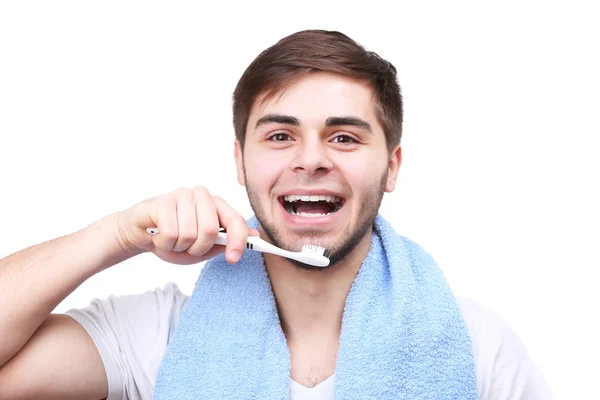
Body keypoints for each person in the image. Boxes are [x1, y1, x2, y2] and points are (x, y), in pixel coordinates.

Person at [0, 30, 551, 400]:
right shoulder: (159, 336)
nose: (311, 160)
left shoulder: (478, 347)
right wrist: (118, 233)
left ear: (392, 167)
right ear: (240, 161)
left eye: (343, 136)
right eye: (281, 135)